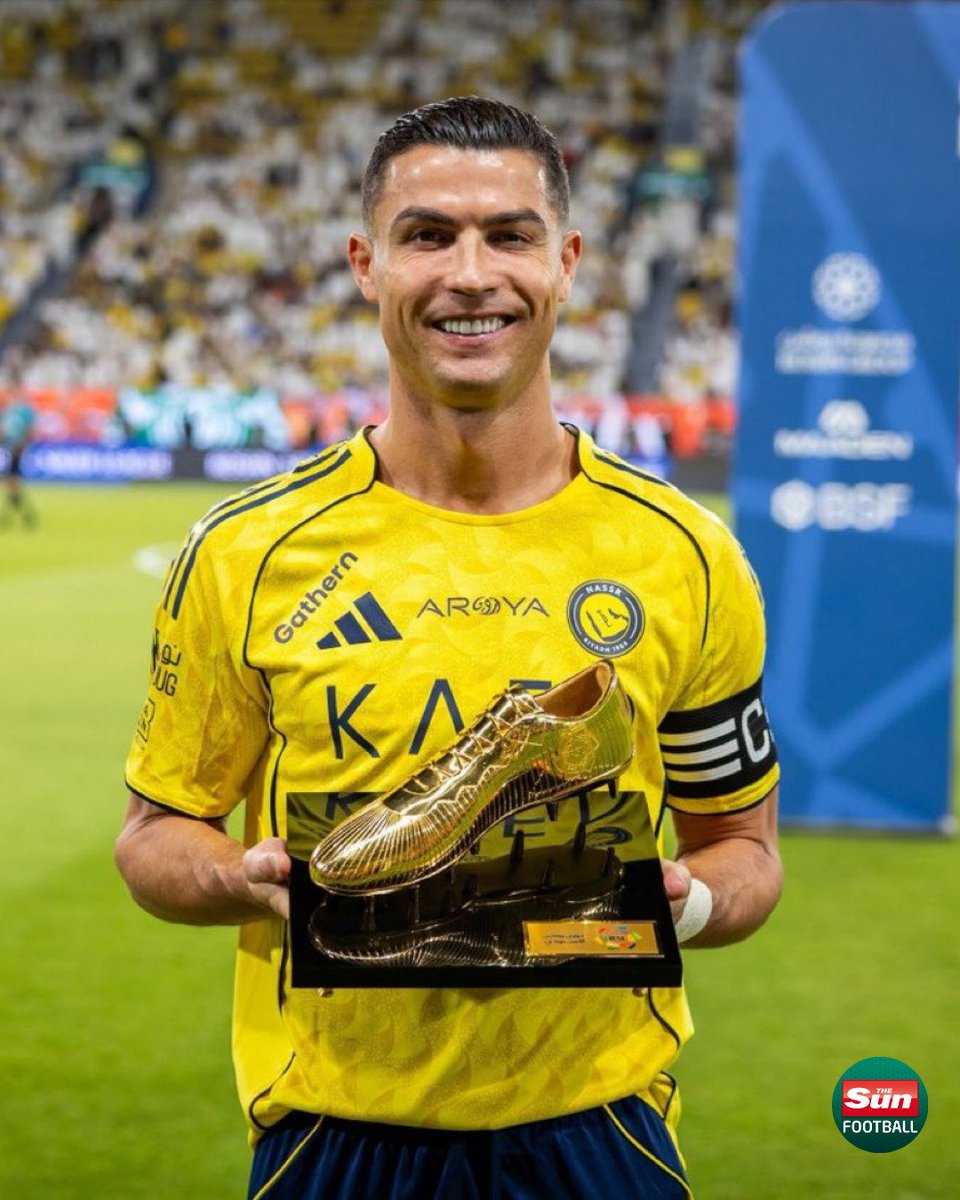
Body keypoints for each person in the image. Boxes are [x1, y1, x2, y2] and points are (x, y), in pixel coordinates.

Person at [116, 97, 782, 1200]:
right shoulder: (244, 551)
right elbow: (153, 837)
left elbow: (745, 849)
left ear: (566, 263)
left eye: (509, 235)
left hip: (602, 1128)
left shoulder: (688, 555)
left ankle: (525, 758)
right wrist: (244, 877)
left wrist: (687, 900)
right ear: (366, 264)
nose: (472, 276)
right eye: (428, 236)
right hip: (334, 1131)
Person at [0, 388, 38, 529]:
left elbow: (29, 431)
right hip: (11, 450)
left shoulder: (24, 412)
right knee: (11, 484)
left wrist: (23, 445)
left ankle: (23, 515)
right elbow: (4, 433)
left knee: (12, 483)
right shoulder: (7, 412)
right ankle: (22, 515)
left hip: (16, 451)